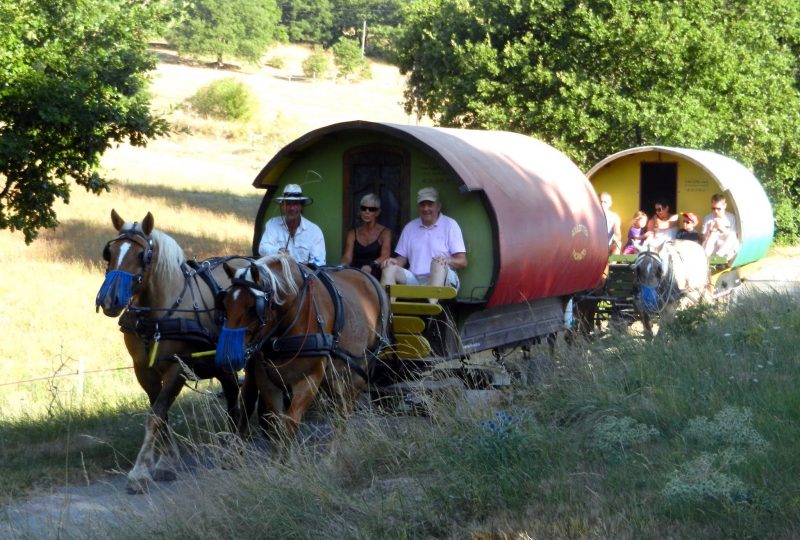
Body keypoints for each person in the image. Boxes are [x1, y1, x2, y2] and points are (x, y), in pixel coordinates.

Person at [381, 187, 467, 302]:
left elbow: (463, 261)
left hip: (444, 281)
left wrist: (447, 260)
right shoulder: (410, 227)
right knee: (389, 269)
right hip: (416, 280)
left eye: (430, 204)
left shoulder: (450, 225)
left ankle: (430, 310)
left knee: (437, 263)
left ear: (438, 206)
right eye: (422, 204)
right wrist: (394, 262)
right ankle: (386, 314)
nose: (426, 208)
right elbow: (402, 259)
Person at [258, 184, 326, 266]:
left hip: (303, 277)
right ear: (282, 206)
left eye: (296, 204)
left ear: (301, 206)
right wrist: (278, 251)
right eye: (288, 204)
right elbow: (262, 248)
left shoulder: (314, 231)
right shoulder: (272, 224)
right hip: (277, 275)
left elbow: (320, 261)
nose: (292, 208)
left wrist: (310, 265)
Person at [341, 193, 392, 278]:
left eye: (371, 209)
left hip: (376, 273)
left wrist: (371, 265)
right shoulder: (352, 233)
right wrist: (342, 266)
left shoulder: (385, 232)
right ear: (360, 211)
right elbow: (347, 257)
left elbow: (385, 255)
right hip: (357, 273)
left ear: (377, 212)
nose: (367, 212)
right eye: (363, 208)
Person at [702, 193, 739, 262]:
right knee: (713, 235)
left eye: (718, 209)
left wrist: (721, 228)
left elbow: (734, 237)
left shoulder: (731, 217)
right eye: (713, 208)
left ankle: (717, 259)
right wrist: (709, 230)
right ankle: (714, 261)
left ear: (724, 206)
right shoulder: (707, 218)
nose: (715, 211)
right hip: (712, 248)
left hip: (725, 248)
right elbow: (704, 239)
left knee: (732, 237)